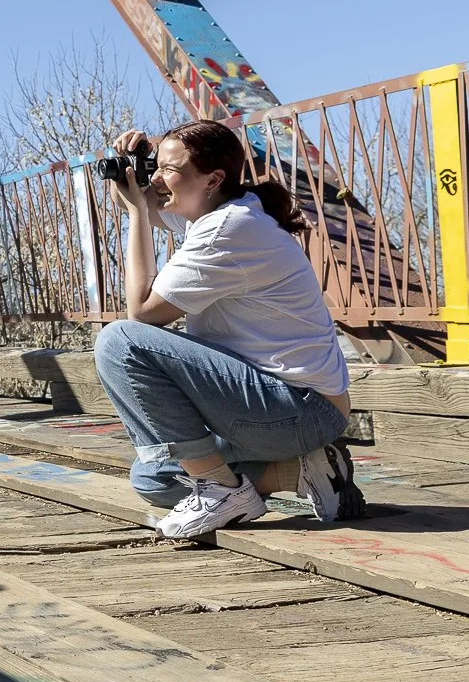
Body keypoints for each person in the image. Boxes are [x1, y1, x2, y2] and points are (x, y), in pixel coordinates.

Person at [94, 119, 366, 539]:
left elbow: (142, 311)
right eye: (158, 168)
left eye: (169, 169)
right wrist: (139, 170)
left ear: (213, 179)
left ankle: (221, 488)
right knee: (154, 477)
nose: (159, 179)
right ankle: (302, 471)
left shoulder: (229, 229)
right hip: (283, 406)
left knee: (119, 342)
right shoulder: (215, 215)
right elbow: (150, 204)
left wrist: (134, 212)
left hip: (302, 408)